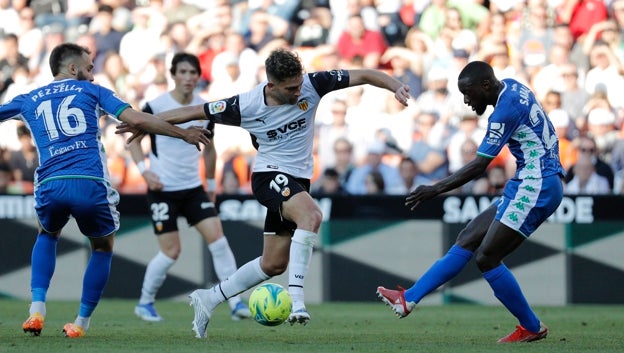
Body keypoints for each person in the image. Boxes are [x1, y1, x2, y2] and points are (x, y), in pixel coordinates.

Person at [119, 48, 412, 338]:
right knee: (311, 216)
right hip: (269, 175)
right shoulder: (245, 105)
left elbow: (363, 74)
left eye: (299, 84)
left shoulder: (313, 83)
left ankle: (208, 299)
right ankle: (296, 300)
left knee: (272, 264)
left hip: (297, 181)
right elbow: (194, 111)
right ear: (272, 85)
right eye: (291, 88)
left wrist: (395, 85)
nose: (299, 92)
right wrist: (142, 122)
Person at [5, 43, 209, 338]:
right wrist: (184, 133)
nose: (92, 74)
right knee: (102, 247)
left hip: (50, 184)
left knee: (47, 234)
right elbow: (136, 118)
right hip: (89, 183)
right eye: (89, 68)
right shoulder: (92, 91)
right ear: (73, 69)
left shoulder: (28, 99)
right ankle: (80, 324)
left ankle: (37, 309)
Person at [376, 61, 565, 343]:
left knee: (487, 257)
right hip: (529, 180)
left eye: (468, 93)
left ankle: (531, 326)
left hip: (538, 184)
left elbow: (479, 166)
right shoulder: (513, 86)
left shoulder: (503, 112)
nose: (466, 101)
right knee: (468, 237)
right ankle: (408, 299)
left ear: (485, 86)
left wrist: (435, 189)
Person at [128, 53, 251, 323]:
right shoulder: (155, 105)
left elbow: (209, 150)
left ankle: (235, 302)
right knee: (171, 251)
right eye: (182, 72)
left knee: (218, 240)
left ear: (198, 76)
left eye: (192, 72)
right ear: (173, 75)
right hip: (162, 188)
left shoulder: (204, 108)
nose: (188, 77)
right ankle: (145, 302)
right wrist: (144, 172)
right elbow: (133, 140)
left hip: (193, 188)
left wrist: (209, 184)